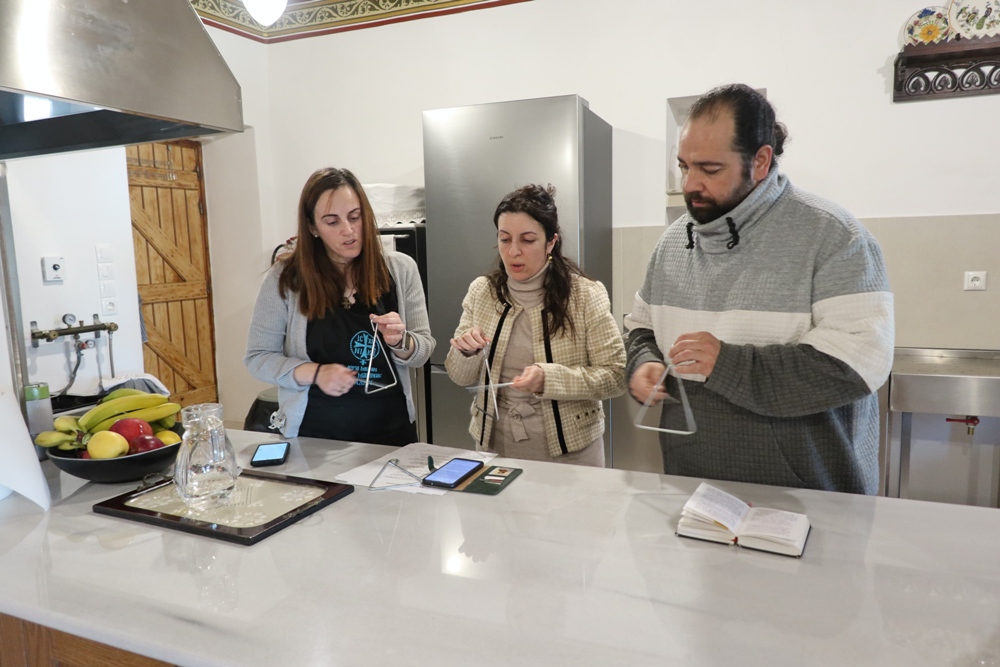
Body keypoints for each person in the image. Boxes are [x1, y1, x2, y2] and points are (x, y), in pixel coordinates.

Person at [625, 84, 894, 494]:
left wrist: (728, 364)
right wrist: (643, 362)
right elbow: (640, 327)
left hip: (806, 498)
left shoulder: (833, 236)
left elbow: (856, 365)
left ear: (761, 161)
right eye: (684, 166)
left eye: (710, 169)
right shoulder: (672, 243)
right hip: (694, 489)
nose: (690, 184)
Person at [244, 167, 435, 445]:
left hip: (392, 432)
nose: (349, 231)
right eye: (332, 222)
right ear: (312, 228)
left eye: (355, 217)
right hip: (315, 437)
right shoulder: (285, 278)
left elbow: (423, 351)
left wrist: (400, 341)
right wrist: (316, 373)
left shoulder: (401, 269)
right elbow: (258, 358)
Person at [446, 184, 625, 467]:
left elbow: (616, 375)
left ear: (551, 242)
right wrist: (466, 352)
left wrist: (548, 379)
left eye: (527, 240)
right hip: (494, 448)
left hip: (572, 455)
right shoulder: (483, 292)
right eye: (504, 239)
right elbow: (459, 376)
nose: (513, 251)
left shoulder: (585, 296)